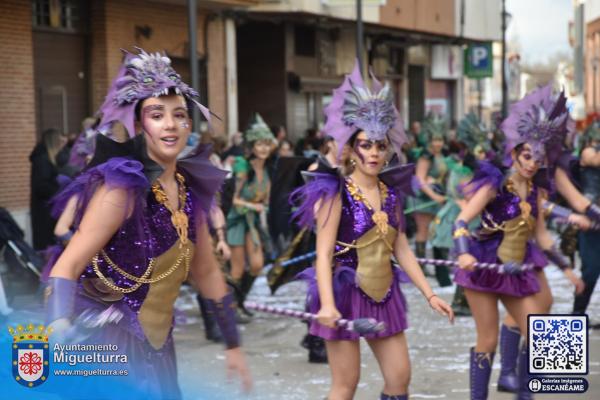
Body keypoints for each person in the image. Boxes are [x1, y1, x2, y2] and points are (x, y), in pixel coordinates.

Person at [45, 48, 250, 399]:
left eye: (179, 114)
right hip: (114, 343)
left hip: (159, 346)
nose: (170, 124)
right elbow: (69, 264)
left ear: (189, 123)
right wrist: (58, 322)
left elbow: (208, 272)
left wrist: (232, 342)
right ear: (140, 126)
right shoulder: (121, 191)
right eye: (157, 115)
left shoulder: (190, 191)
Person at [291, 63, 454, 400]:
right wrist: (328, 304)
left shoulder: (391, 192)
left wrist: (430, 293)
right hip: (344, 295)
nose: (375, 153)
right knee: (345, 385)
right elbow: (322, 254)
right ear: (351, 147)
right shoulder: (336, 192)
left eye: (380, 146)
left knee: (399, 380)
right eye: (366, 145)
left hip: (385, 294)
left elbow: (402, 248)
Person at [452, 85, 585, 400]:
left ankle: (526, 394)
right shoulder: (494, 184)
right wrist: (462, 255)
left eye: (537, 158)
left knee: (541, 332)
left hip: (514, 269)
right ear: (514, 154)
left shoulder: (537, 191)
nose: (532, 163)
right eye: (526, 155)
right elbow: (461, 221)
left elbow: (541, 236)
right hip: (483, 268)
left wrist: (567, 270)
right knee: (487, 341)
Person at [227, 113, 275, 319]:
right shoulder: (242, 166)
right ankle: (230, 309)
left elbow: (267, 200)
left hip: (253, 222)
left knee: (257, 265)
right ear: (252, 146)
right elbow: (234, 200)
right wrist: (252, 206)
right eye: (259, 144)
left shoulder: (270, 170)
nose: (263, 148)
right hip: (237, 220)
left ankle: (240, 300)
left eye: (267, 144)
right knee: (237, 269)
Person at [409, 114, 449, 283]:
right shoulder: (426, 155)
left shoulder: (442, 155)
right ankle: (421, 267)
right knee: (423, 230)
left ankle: (437, 269)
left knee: (436, 231)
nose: (437, 143)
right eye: (434, 140)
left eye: (440, 140)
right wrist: (435, 195)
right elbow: (419, 179)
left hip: (437, 197)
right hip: (424, 199)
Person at [30, 128, 68, 250]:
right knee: (47, 243)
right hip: (45, 210)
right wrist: (61, 191)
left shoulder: (50, 158)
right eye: (59, 141)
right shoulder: (42, 160)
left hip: (50, 207)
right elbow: (41, 186)